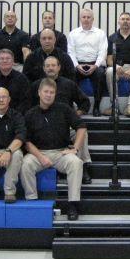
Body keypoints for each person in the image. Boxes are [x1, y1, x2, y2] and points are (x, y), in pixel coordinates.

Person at [21, 78, 86, 220]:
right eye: (46, 92)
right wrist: (40, 157)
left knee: (76, 163)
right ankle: (32, 201)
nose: (48, 95)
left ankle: (73, 204)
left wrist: (75, 149)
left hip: (60, 152)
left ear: (55, 94)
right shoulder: (30, 114)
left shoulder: (64, 109)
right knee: (25, 164)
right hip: (38, 153)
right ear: (39, 93)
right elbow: (26, 142)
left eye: (52, 92)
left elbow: (81, 127)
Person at [31, 56, 93, 184]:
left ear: (59, 67)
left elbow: (85, 102)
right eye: (47, 66)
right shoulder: (36, 86)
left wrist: (74, 115)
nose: (50, 68)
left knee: (81, 133)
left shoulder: (68, 84)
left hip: (66, 126)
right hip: (43, 126)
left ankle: (83, 167)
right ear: (43, 68)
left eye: (53, 65)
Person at [104, 12, 130, 117]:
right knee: (109, 71)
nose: (125, 21)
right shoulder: (112, 38)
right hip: (117, 67)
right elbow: (108, 59)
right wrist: (116, 67)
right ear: (119, 22)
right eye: (123, 19)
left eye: (128, 19)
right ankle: (114, 106)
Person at [67, 8, 107, 116]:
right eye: (84, 17)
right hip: (78, 64)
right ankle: (77, 107)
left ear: (93, 19)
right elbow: (71, 52)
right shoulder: (73, 33)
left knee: (100, 74)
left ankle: (96, 107)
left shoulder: (100, 33)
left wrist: (95, 66)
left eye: (88, 17)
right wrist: (77, 65)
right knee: (70, 76)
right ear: (80, 19)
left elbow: (102, 52)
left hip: (95, 64)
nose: (86, 19)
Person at [0, 49, 31, 114]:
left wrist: (14, 116)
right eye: (2, 58)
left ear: (13, 61)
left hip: (16, 118)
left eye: (8, 58)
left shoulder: (22, 79)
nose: (5, 61)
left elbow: (25, 102)